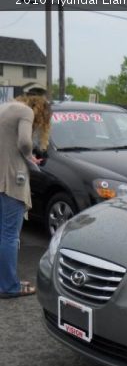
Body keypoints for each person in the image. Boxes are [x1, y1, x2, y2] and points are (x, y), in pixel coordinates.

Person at [0, 93, 51, 298]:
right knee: (10, 236)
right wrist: (30, 156)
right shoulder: (26, 112)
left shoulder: (3, 108)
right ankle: (9, 286)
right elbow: (23, 142)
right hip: (12, 180)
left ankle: (5, 280)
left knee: (2, 234)